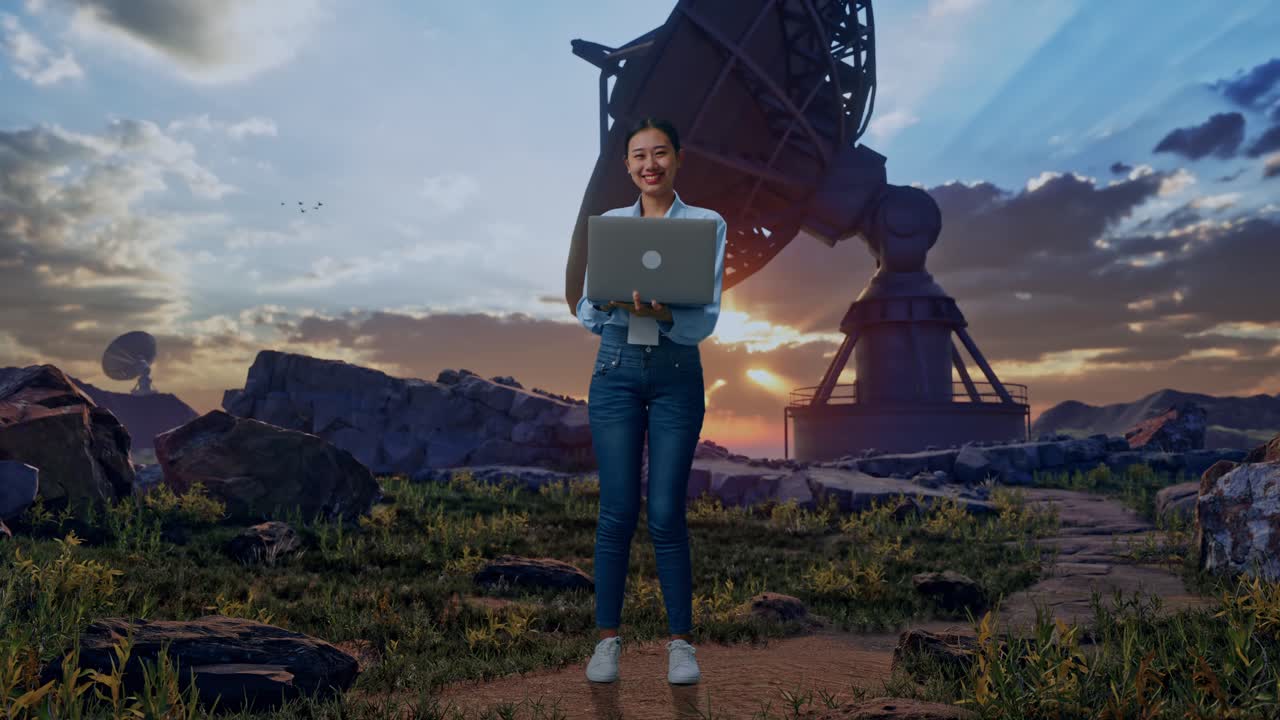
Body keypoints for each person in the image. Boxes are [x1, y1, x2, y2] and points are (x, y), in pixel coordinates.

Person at [576, 117, 726, 685]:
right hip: (614, 371)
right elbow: (588, 312)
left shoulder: (707, 223)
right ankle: (607, 643)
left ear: (678, 159)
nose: (649, 164)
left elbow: (705, 316)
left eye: (660, 153)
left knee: (665, 512)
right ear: (627, 166)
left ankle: (680, 646)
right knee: (616, 512)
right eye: (638, 155)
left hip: (675, 373)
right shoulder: (611, 227)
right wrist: (613, 303)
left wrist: (665, 314)